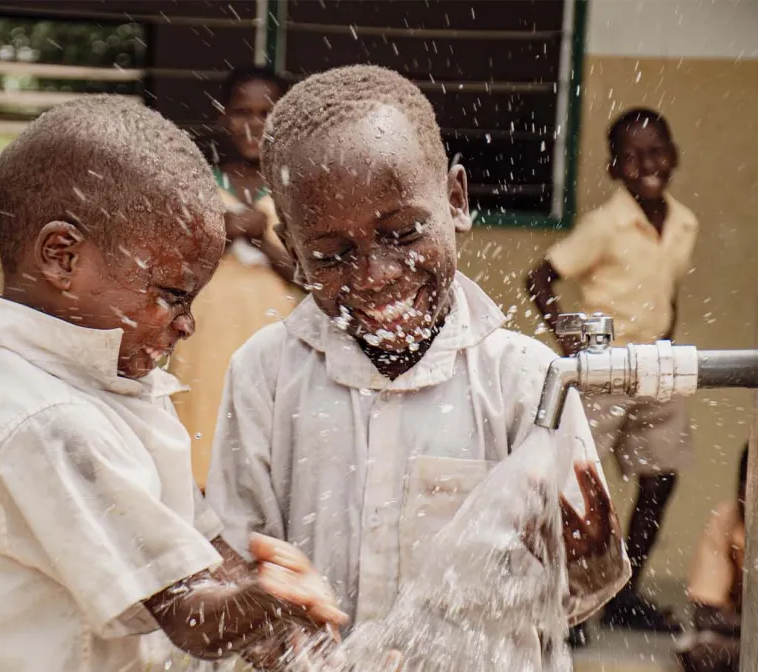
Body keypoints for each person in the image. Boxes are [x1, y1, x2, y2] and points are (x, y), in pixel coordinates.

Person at [205, 65, 630, 666]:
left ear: (456, 200)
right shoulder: (264, 375)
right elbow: (240, 568)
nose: (374, 275)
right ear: (295, 253)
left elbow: (564, 601)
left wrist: (588, 571)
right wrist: (268, 618)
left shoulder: (529, 381)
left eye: (403, 233)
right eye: (332, 254)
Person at [0, 95, 347, 672]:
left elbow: (201, 555)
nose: (187, 325)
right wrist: (272, 600)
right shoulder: (50, 423)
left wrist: (268, 610)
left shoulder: (112, 381)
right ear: (62, 257)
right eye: (172, 295)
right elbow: (190, 617)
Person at [526, 108, 699, 634]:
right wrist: (569, 341)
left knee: (660, 478)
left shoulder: (684, 222)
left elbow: (666, 292)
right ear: (613, 168)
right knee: (581, 483)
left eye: (656, 152)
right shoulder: (605, 225)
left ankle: (625, 596)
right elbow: (539, 278)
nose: (646, 164)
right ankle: (571, 602)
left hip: (657, 365)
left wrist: (668, 345)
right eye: (631, 156)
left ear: (674, 157)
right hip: (605, 367)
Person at [170, 66, 299, 488]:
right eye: (243, 112)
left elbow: (310, 278)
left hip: (274, 334)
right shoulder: (200, 185)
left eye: (266, 113)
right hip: (207, 334)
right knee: (202, 421)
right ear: (223, 116)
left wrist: (262, 240)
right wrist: (222, 235)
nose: (254, 124)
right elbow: (176, 270)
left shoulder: (296, 186)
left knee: (269, 429)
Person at [676, 445, 748, 672]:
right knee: (702, 652)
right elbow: (706, 615)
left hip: (741, 631)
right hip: (739, 635)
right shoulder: (727, 518)